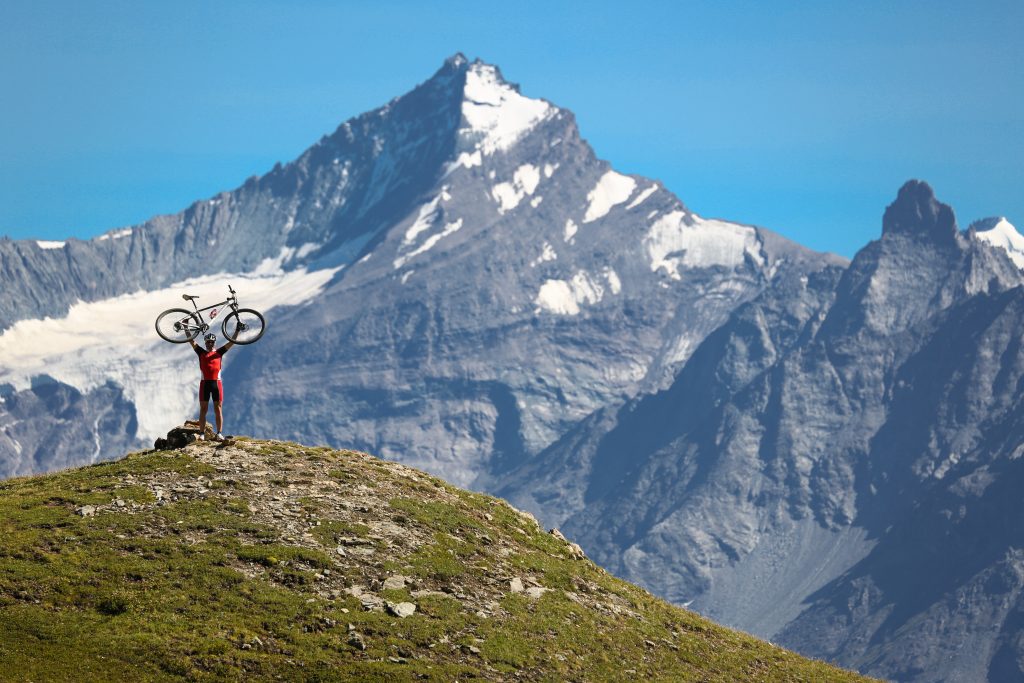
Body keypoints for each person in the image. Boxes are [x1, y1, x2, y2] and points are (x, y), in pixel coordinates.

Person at [188, 332, 235, 440]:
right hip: (204, 384)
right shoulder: (201, 352)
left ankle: (219, 433)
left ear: (214, 343)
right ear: (205, 343)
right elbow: (191, 340)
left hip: (216, 384)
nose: (210, 343)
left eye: (211, 342)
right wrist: (186, 327)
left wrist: (237, 330)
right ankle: (202, 434)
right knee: (203, 409)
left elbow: (232, 342)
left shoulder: (219, 352)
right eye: (208, 342)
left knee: (218, 408)